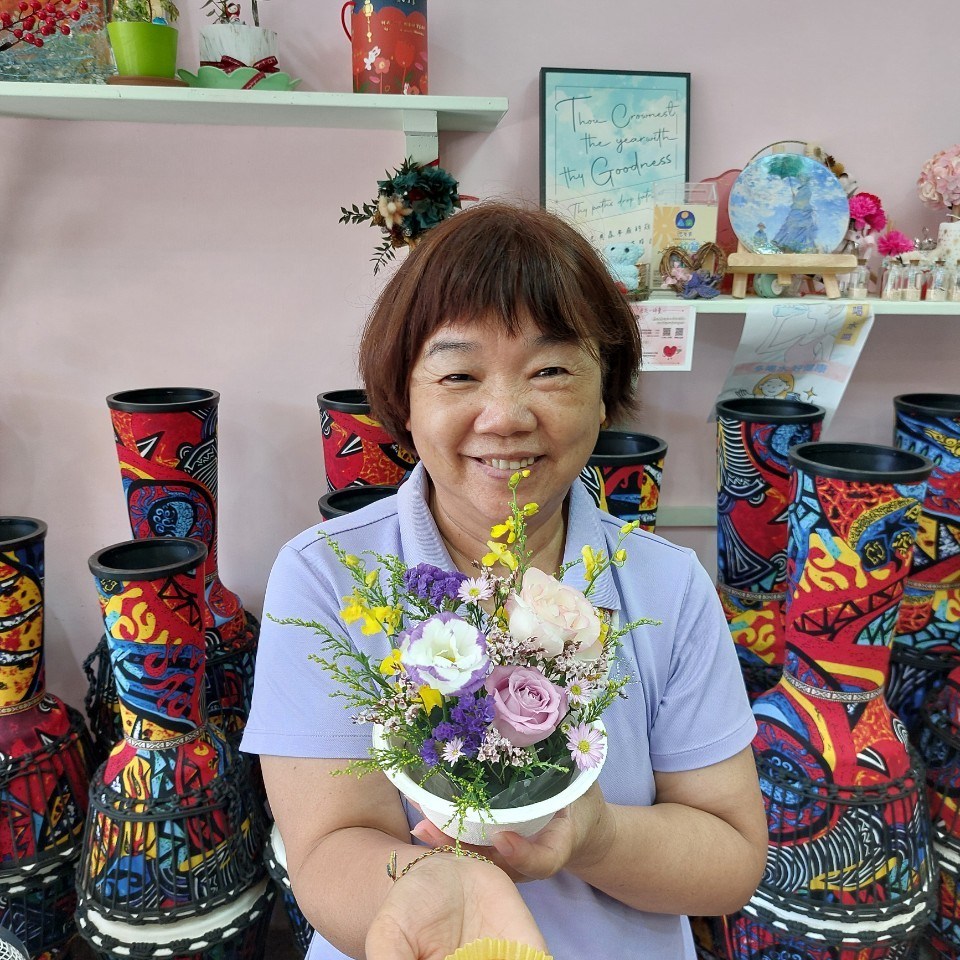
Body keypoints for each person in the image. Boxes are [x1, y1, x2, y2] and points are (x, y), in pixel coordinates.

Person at [240, 202, 767, 960]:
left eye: (550, 370)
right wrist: (436, 890)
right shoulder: (322, 577)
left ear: (604, 391)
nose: (505, 416)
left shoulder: (668, 587)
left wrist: (596, 836)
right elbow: (328, 847)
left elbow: (730, 857)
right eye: (459, 374)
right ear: (404, 399)